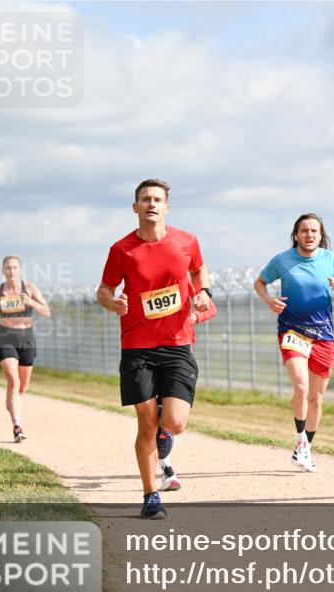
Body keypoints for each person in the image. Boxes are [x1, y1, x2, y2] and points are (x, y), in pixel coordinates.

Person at [96, 179, 210, 519]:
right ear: (135, 207)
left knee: (174, 422)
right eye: (145, 199)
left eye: (157, 199)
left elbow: (199, 269)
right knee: (145, 422)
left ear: (166, 207)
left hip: (177, 342)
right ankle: (150, 496)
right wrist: (112, 302)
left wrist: (203, 292)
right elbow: (103, 289)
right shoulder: (121, 250)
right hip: (137, 346)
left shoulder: (186, 241)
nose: (151, 204)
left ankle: (165, 432)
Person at [254, 213, 334, 472]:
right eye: (304, 231)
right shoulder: (283, 261)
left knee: (316, 398)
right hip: (293, 331)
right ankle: (300, 441)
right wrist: (269, 301)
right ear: (296, 235)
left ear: (321, 236)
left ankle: (305, 448)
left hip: (323, 335)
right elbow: (260, 282)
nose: (309, 235)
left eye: (314, 231)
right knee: (301, 387)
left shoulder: (331, 260)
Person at [156, 275, 218, 492]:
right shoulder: (143, 278)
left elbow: (210, 309)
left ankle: (165, 466)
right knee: (155, 413)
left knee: (169, 415)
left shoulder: (184, 279)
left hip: (180, 354)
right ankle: (166, 467)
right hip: (147, 353)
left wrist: (194, 316)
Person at [0, 255, 51, 442]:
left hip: (27, 337)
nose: (11, 271)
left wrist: (31, 303)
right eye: (7, 268)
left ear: (20, 270)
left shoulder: (30, 288)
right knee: (13, 382)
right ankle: (17, 427)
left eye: (14, 267)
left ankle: (12, 402)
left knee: (22, 386)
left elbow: (47, 312)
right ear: (3, 271)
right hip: (6, 336)